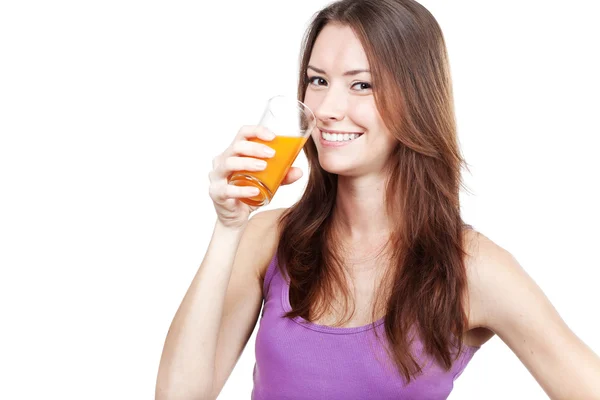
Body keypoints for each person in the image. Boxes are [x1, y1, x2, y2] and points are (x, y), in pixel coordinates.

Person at [155, 0, 600, 399]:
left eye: (361, 85)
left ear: (416, 99)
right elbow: (177, 396)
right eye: (317, 80)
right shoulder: (267, 239)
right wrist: (228, 227)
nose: (328, 108)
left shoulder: (472, 267)